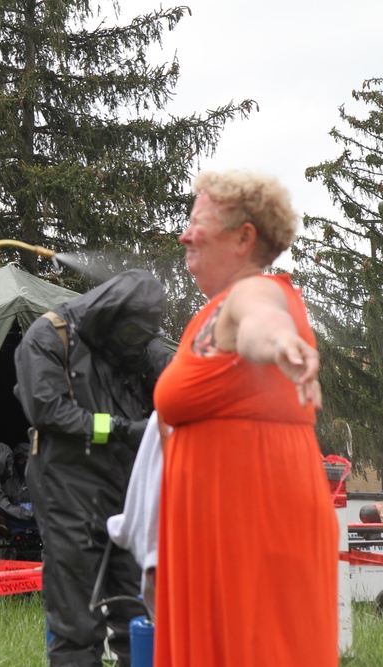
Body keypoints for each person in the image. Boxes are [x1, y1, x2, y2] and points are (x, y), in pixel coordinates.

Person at [153, 171, 338, 667]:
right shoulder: (209, 312)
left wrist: (282, 344)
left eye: (197, 222)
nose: (184, 234)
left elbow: (263, 322)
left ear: (244, 237)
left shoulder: (254, 293)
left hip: (252, 522)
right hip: (214, 527)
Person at [14, 269, 173, 667]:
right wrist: (122, 429)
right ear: (110, 317)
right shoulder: (49, 335)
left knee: (141, 613)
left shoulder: (140, 346)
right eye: (133, 336)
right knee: (76, 621)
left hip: (129, 492)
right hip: (68, 488)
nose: (135, 346)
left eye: (143, 336)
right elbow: (47, 410)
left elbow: (183, 382)